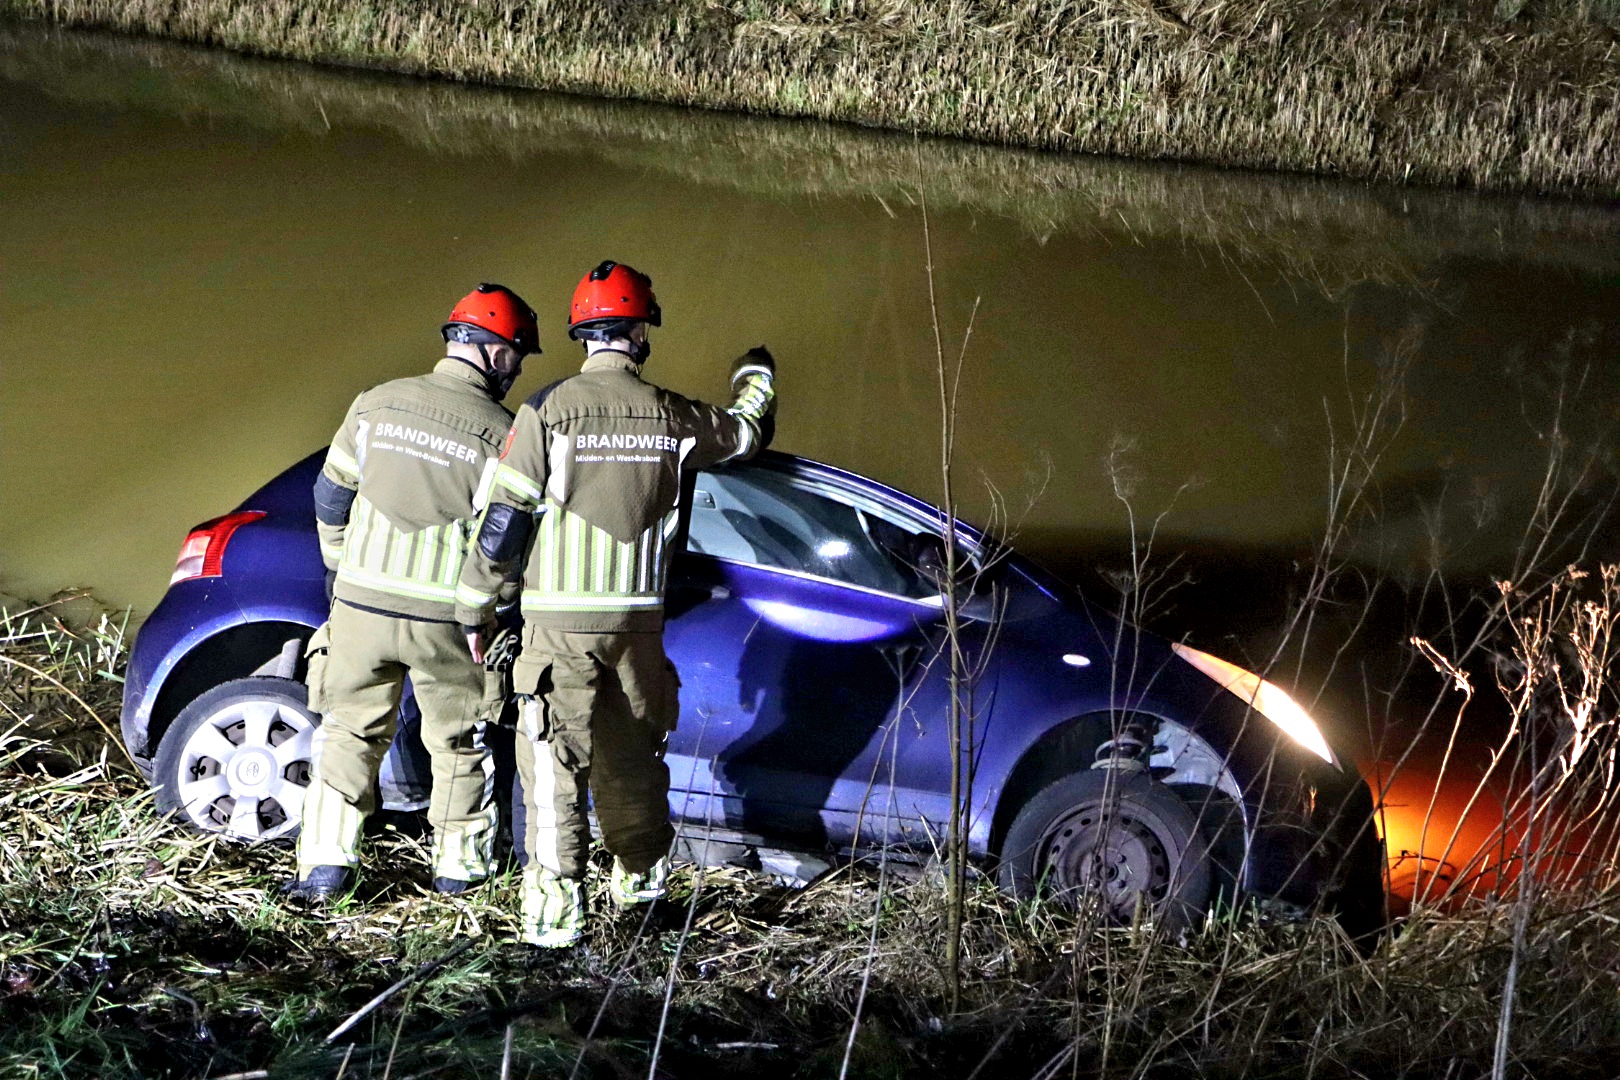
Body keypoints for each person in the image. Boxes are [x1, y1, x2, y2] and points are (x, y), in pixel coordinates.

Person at [455, 260, 777, 947]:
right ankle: (641, 898)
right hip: (637, 627)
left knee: (552, 771)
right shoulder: (674, 415)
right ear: (642, 333)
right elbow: (748, 435)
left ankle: (554, 925)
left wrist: (477, 609)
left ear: (582, 332)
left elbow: (506, 520)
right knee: (635, 761)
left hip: (556, 631)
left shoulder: (549, 409)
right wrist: (757, 377)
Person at [285, 283, 540, 901]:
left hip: (362, 606)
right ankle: (459, 876)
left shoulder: (375, 404)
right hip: (444, 620)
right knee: (459, 742)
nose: (517, 368)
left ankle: (324, 869)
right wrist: (493, 606)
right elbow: (505, 534)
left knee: (347, 730)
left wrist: (342, 568)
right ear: (495, 352)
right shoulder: (504, 431)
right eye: (517, 355)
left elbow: (329, 494)